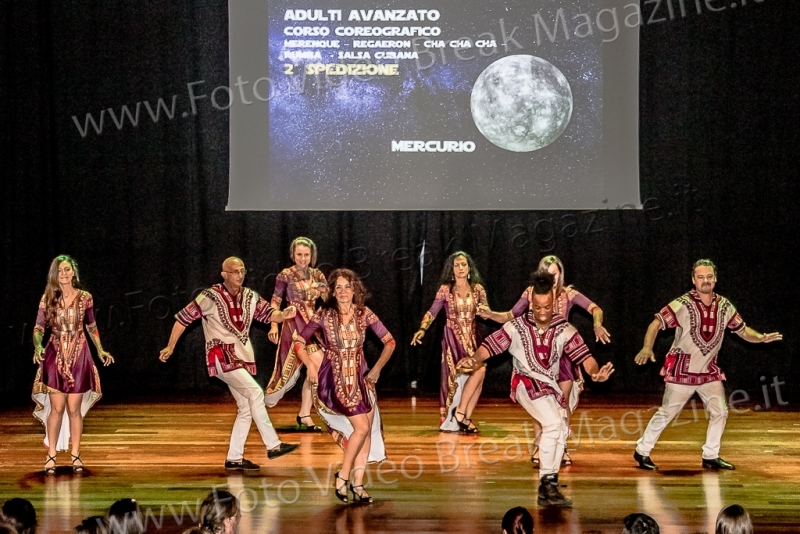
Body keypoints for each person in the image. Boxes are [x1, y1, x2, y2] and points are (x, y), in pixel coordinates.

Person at [458, 270, 614, 507]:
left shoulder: (565, 329)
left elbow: (585, 357)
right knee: (552, 423)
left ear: (554, 302)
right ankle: (546, 484)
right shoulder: (516, 327)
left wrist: (595, 373)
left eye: (547, 307)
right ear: (531, 302)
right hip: (524, 383)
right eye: (538, 307)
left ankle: (548, 485)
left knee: (561, 424)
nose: (542, 312)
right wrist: (474, 359)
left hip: (549, 387)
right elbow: (489, 347)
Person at [633, 259, 782, 471]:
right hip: (682, 369)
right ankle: (642, 450)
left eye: (709, 277)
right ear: (693, 280)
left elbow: (743, 330)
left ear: (715, 279)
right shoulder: (682, 304)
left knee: (720, 411)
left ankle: (711, 455)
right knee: (667, 412)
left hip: (708, 371)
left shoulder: (724, 305)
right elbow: (656, 323)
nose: (705, 281)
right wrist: (647, 347)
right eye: (701, 277)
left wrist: (761, 338)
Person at [159, 257, 299, 470]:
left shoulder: (250, 296)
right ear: (224, 275)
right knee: (256, 393)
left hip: (241, 357)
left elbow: (271, 315)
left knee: (245, 407)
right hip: (221, 355)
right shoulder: (209, 296)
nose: (240, 275)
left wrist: (284, 314)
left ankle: (234, 457)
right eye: (235, 272)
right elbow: (183, 319)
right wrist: (170, 346)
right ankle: (273, 444)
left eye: (242, 271)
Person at [480, 255, 610, 464]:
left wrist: (597, 324)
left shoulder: (569, 294)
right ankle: (539, 445)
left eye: (555, 274)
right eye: (548, 274)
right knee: (539, 400)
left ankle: (562, 446)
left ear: (561, 274)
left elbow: (596, 309)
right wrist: (491, 315)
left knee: (562, 402)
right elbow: (511, 315)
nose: (552, 278)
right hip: (538, 354)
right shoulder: (531, 293)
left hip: (564, 354)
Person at [294, 268, 395, 503]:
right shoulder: (324, 315)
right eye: (338, 287)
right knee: (360, 428)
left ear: (355, 289)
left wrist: (378, 368)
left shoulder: (364, 314)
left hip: (361, 378)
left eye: (347, 286)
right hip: (335, 379)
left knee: (366, 430)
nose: (342, 292)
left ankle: (358, 485)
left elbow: (389, 342)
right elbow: (299, 341)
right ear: (332, 291)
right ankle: (342, 475)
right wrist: (309, 365)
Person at [31, 255, 114, 475]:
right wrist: (38, 347)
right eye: (60, 271)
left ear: (73, 272)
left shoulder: (85, 297)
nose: (64, 274)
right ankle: (51, 456)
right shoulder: (48, 298)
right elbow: (38, 328)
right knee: (57, 408)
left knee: (74, 409)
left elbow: (91, 325)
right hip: (55, 353)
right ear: (55, 274)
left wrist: (100, 349)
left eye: (67, 269)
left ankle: (76, 454)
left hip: (79, 354)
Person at [411, 251, 498, 433]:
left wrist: (485, 312)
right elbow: (432, 311)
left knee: (480, 373)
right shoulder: (445, 290)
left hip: (473, 341)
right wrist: (422, 329)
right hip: (453, 341)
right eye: (456, 265)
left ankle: (465, 416)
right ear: (451, 269)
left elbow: (485, 310)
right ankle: (453, 418)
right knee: (454, 381)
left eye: (463, 265)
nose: (460, 268)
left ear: (469, 268)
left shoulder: (478, 289)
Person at [265, 237, 328, 430]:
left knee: (318, 368)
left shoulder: (317, 274)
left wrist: (324, 291)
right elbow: (275, 301)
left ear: (312, 256)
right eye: (299, 254)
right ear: (293, 254)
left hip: (312, 324)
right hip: (293, 324)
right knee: (290, 371)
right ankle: (260, 405)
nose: (302, 258)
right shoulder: (285, 275)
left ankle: (305, 415)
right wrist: (274, 325)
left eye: (306, 255)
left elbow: (328, 299)